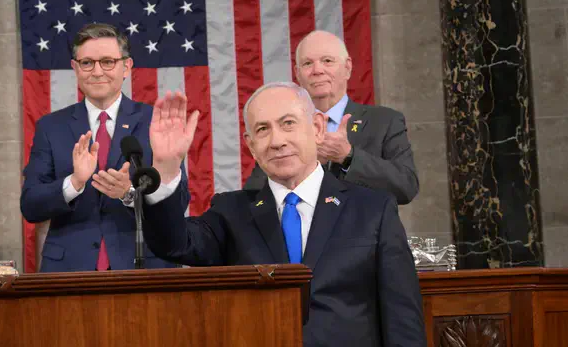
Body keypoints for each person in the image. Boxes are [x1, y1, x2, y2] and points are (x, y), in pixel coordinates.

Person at [142, 83, 426, 347]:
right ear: (251, 146)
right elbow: (174, 243)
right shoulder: (231, 212)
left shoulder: (373, 210)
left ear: (316, 128)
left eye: (288, 123)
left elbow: (402, 317)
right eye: (263, 130)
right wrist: (166, 168)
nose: (277, 141)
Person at [20, 23, 190, 272]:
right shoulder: (50, 126)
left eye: (108, 61)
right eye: (87, 62)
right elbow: (31, 206)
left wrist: (129, 194)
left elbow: (178, 204)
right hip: (69, 272)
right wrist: (74, 183)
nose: (97, 71)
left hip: (144, 266)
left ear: (126, 67)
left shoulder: (155, 122)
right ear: (75, 68)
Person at [244, 30, 419, 205]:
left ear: (347, 67)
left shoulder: (384, 121)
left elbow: (406, 187)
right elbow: (253, 196)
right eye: (307, 63)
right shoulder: (281, 128)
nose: (317, 70)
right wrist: (302, 163)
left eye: (327, 61)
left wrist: (349, 156)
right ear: (297, 73)